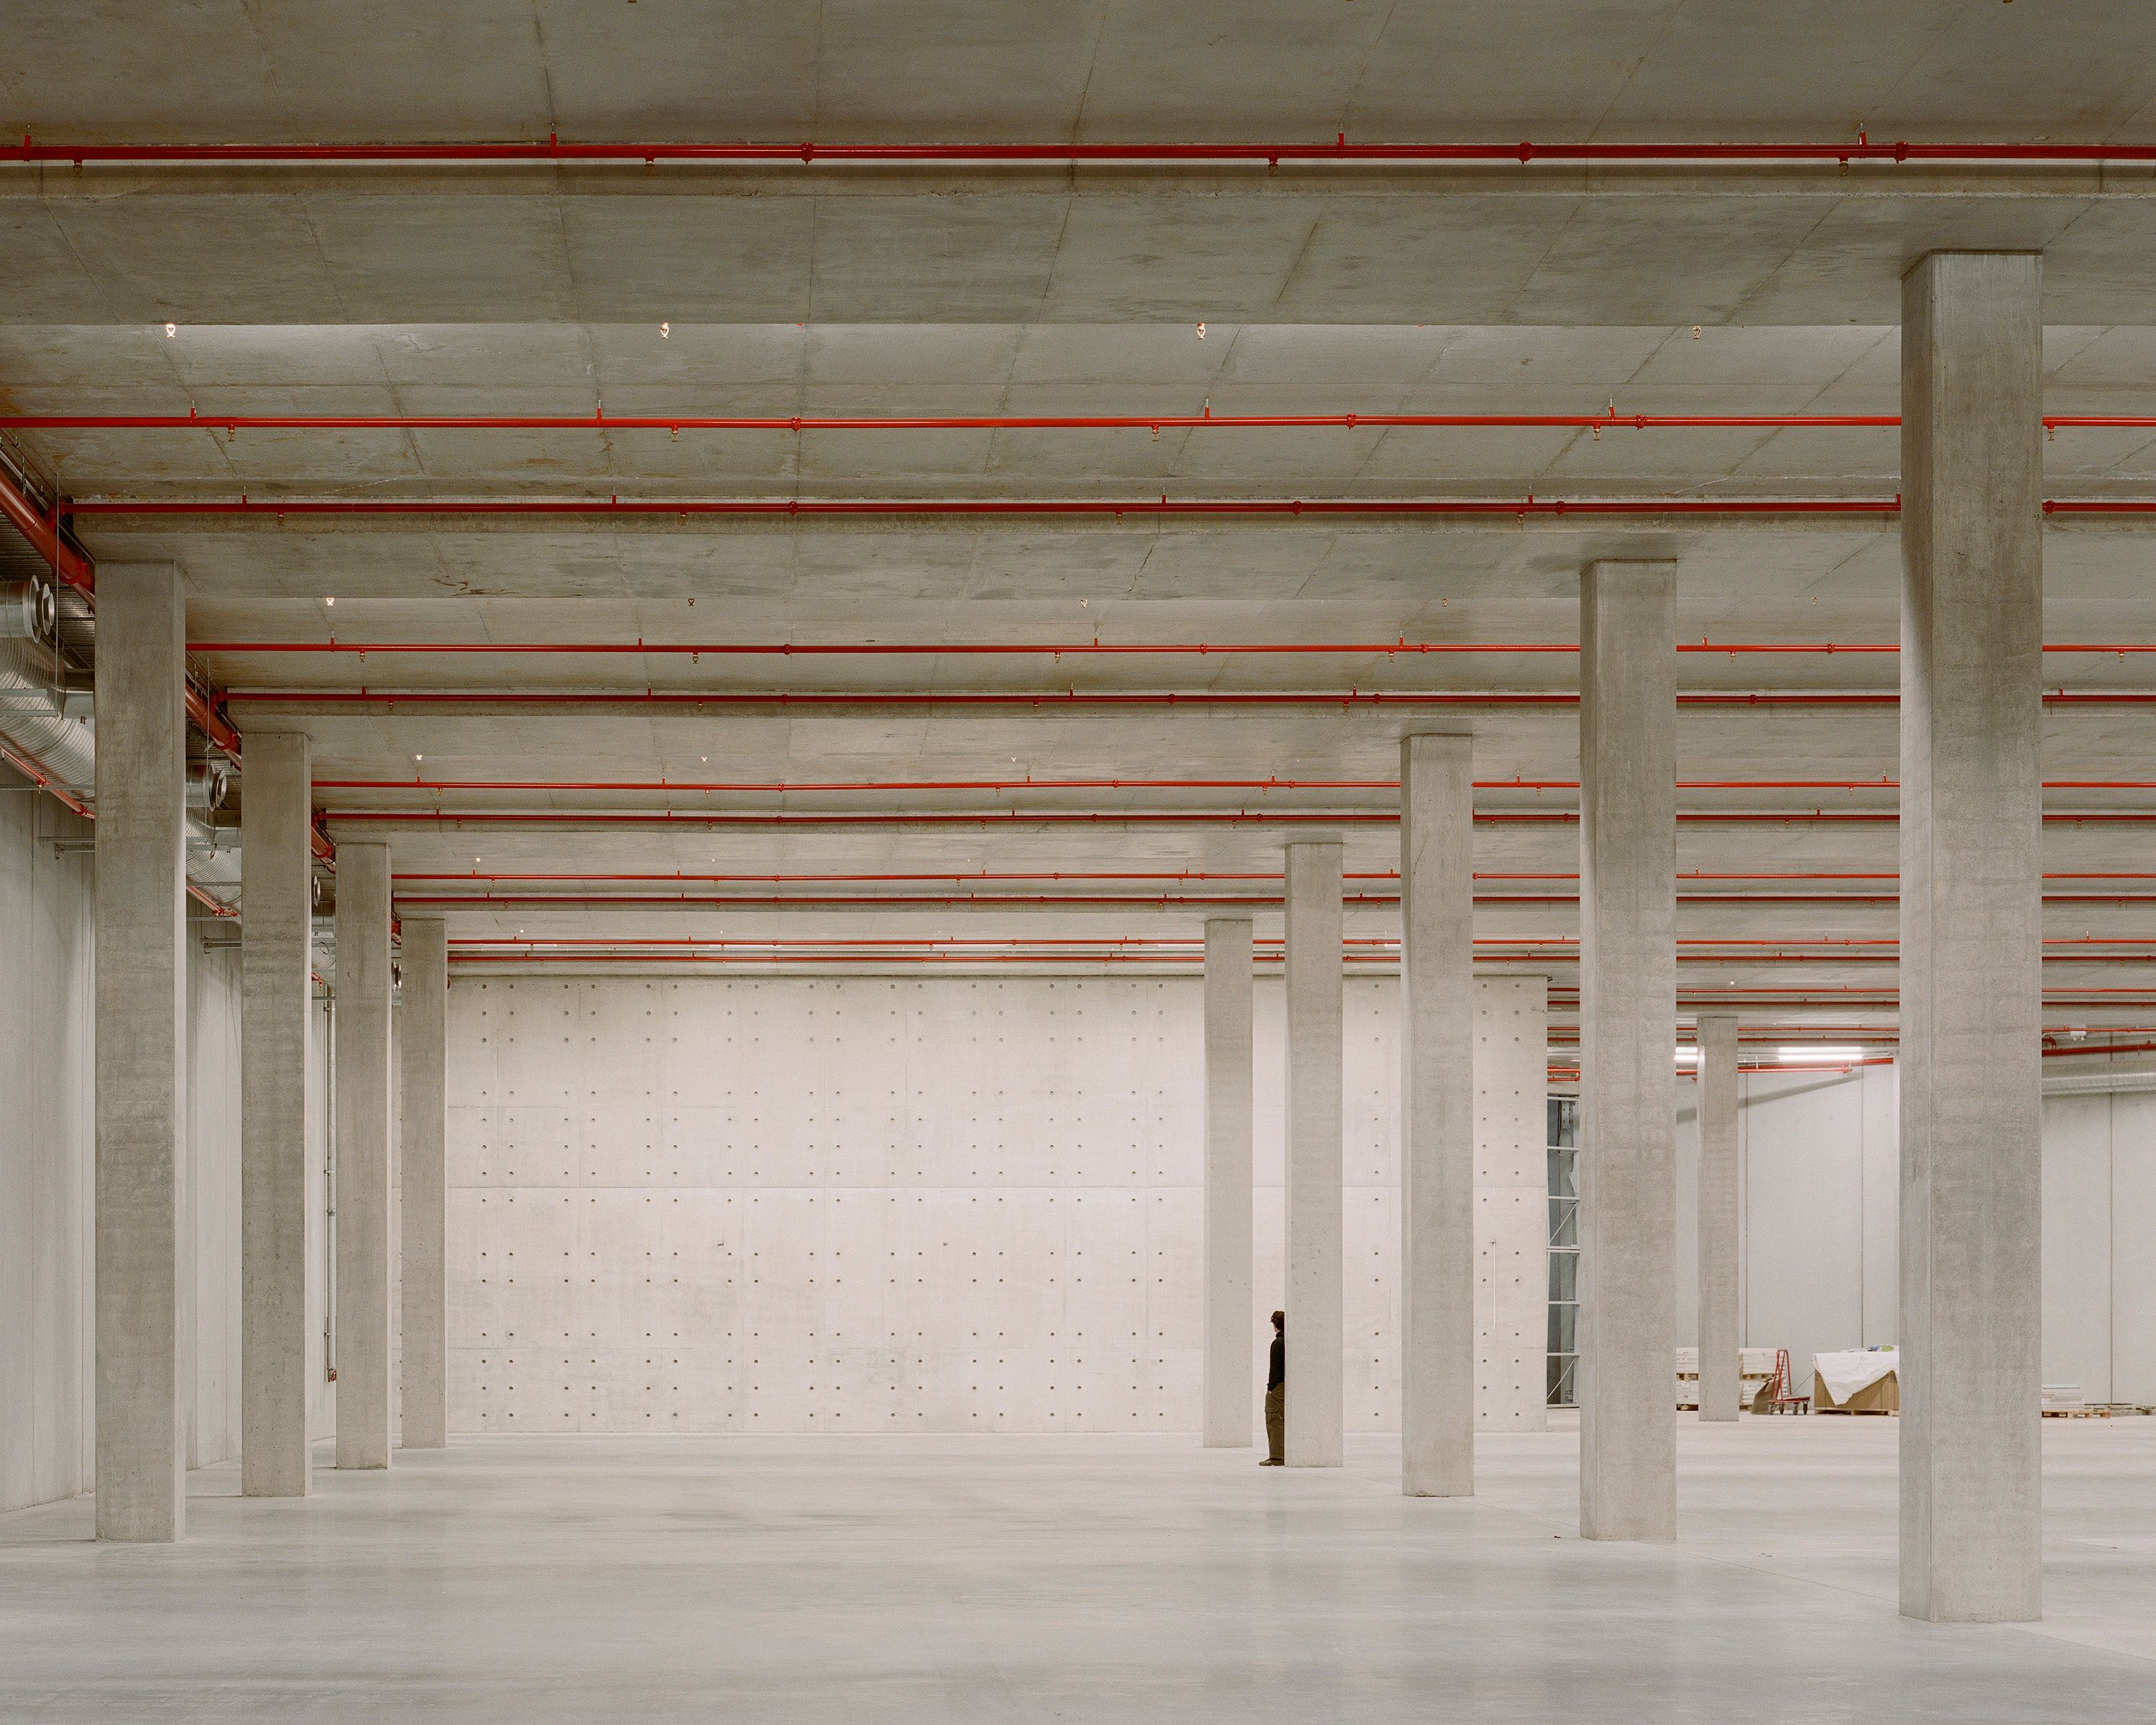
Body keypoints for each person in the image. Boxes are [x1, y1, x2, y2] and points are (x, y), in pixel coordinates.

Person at [1261, 1310, 1285, 1465]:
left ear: (1275, 1325)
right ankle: (1285, 1454)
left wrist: (1271, 1388)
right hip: (1288, 1387)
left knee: (1273, 1419)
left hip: (1278, 1387)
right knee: (1283, 1420)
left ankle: (1276, 1457)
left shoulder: (1277, 1343)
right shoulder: (1291, 1342)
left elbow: (1275, 1368)